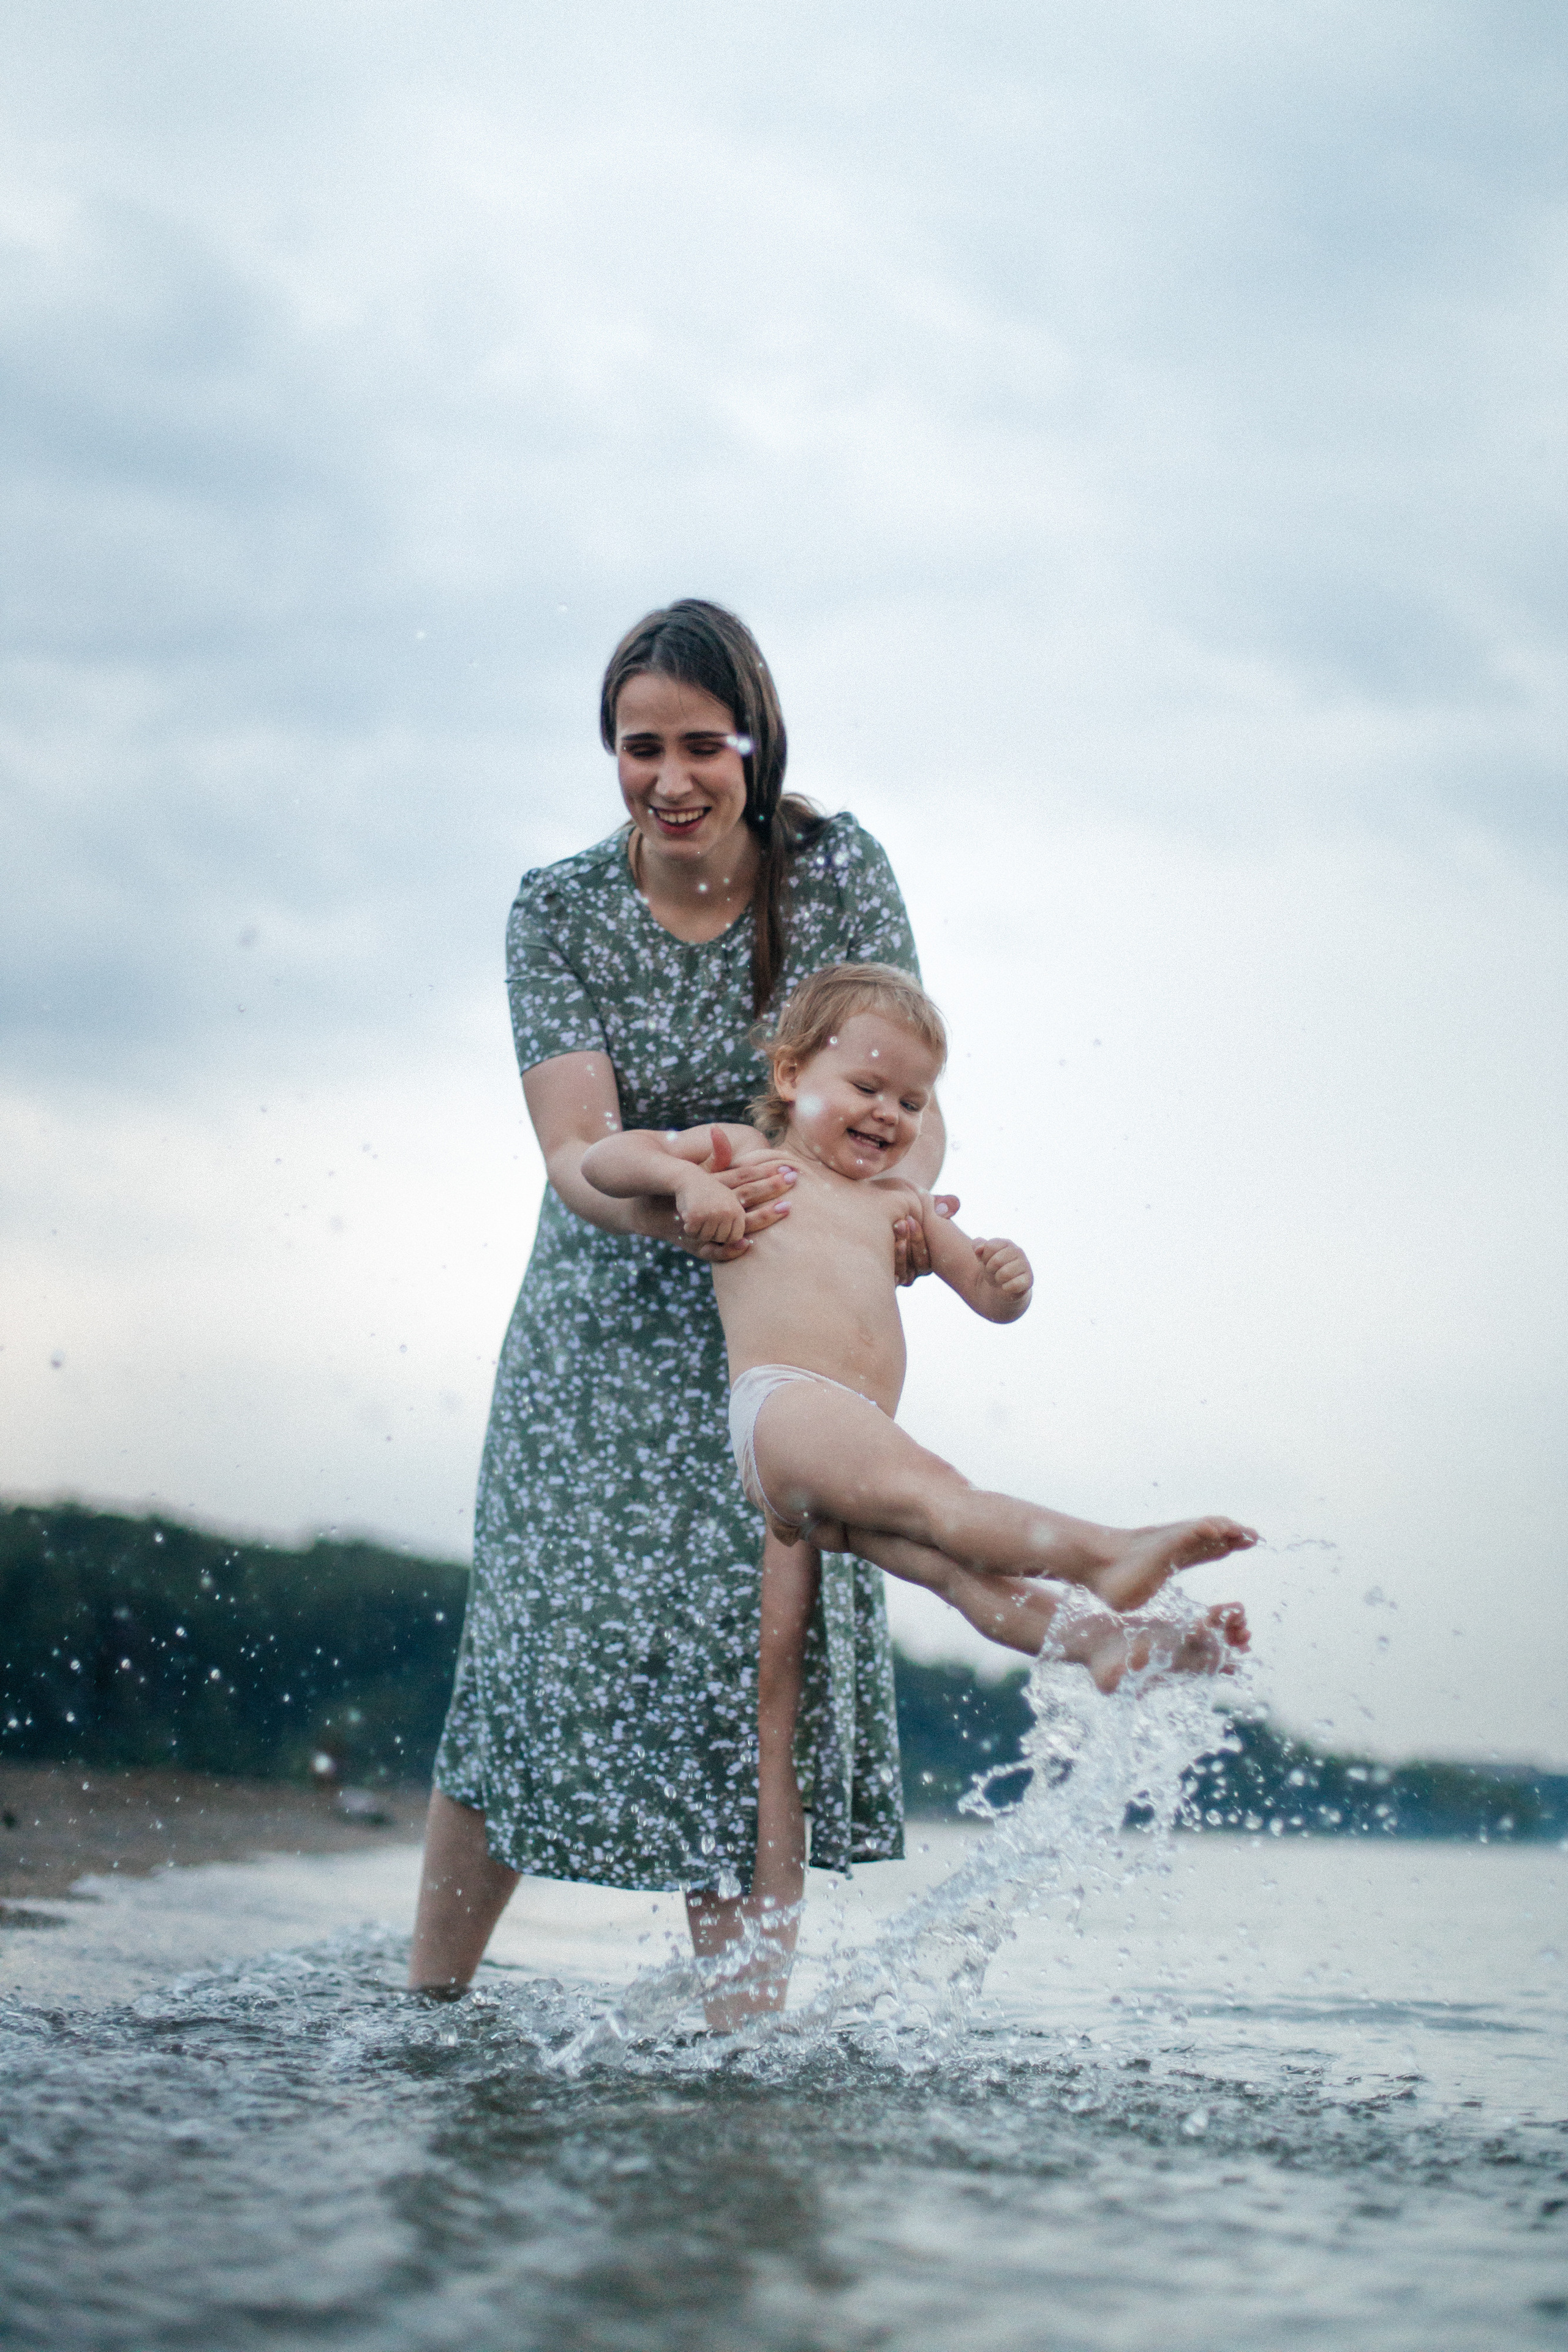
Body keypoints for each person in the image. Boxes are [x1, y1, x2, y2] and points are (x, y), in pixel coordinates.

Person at [409, 601, 953, 2008]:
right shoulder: (558, 905)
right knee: (530, 1654)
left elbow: (901, 1101)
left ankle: (738, 2052)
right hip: (597, 1333)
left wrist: (901, 1218)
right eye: (637, 746)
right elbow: (572, 1156)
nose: (670, 778)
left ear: (751, 745)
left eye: (699, 745)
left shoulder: (835, 874)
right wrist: (689, 1194)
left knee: (744, 1679)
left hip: (780, 1329)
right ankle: (425, 2003)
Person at [582, 959, 1257, 1702]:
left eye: (911, 1101)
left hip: (847, 1442)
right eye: (865, 1088)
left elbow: (989, 1301)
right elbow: (604, 1160)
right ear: (790, 1076)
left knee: (956, 1568)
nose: (887, 1113)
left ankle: (1107, 1643)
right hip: (786, 1407)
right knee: (944, 1499)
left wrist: (1007, 1279)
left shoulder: (899, 1203)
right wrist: (687, 1182)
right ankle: (1104, 1554)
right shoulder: (747, 1158)